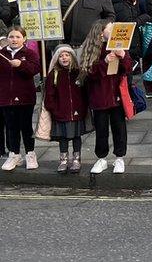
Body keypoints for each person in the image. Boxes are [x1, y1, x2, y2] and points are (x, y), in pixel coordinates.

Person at [78, 20, 131, 174]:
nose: (114, 30)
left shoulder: (118, 46)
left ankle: (119, 158)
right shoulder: (92, 50)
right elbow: (88, 74)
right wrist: (104, 62)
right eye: (110, 28)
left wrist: (123, 57)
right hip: (99, 97)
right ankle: (101, 158)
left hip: (116, 97)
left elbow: (127, 69)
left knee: (119, 128)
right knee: (101, 129)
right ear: (101, 32)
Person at [0, 26, 42, 171]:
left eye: (18, 37)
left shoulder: (29, 53)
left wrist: (21, 65)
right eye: (11, 37)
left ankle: (30, 154)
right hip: (6, 97)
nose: (14, 40)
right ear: (7, 38)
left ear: (24, 39)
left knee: (26, 126)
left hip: (25, 97)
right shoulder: (2, 54)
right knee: (11, 127)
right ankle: (14, 154)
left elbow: (35, 69)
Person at [44, 44, 90, 174]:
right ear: (56, 59)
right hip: (60, 112)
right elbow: (49, 94)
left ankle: (76, 159)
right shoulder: (54, 74)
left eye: (67, 55)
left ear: (72, 56)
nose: (64, 58)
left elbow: (85, 92)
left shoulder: (79, 73)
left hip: (77, 111)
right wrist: (53, 109)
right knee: (63, 138)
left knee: (76, 136)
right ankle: (63, 160)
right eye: (61, 56)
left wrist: (84, 107)